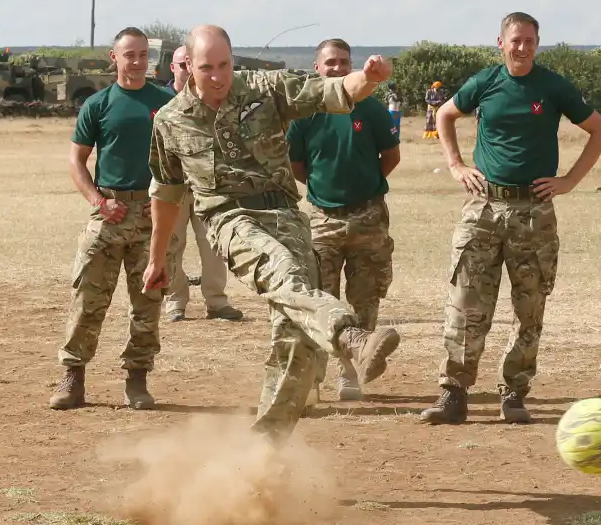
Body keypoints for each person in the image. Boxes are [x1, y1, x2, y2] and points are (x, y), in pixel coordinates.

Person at [142, 24, 401, 440]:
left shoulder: (266, 87)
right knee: (283, 272)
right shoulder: (171, 120)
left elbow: (333, 91)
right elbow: (167, 194)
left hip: (287, 217)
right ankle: (349, 335)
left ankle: (264, 452)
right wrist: (157, 259)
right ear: (189, 64)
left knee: (295, 339)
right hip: (231, 220)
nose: (218, 76)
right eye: (207, 67)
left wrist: (368, 78)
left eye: (225, 65)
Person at [419, 12, 601, 425]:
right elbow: (444, 115)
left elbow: (600, 130)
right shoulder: (485, 82)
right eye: (515, 41)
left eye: (529, 40)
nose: (522, 47)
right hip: (484, 208)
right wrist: (455, 165)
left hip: (534, 213)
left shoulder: (553, 86)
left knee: (529, 306)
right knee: (466, 303)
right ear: (501, 43)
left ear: (537, 44)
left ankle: (514, 392)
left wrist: (569, 181)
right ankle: (453, 393)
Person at [49, 27, 176, 411]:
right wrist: (99, 201)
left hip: (153, 214)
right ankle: (73, 379)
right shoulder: (99, 104)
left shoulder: (167, 102)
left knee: (148, 301)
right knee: (88, 299)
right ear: (114, 57)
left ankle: (137, 379)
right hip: (109, 213)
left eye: (142, 55)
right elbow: (77, 160)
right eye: (129, 55)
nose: (137, 62)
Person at [287, 38, 401, 405]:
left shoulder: (371, 109)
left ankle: (351, 371)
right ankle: (316, 372)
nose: (337, 68)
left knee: (364, 297)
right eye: (330, 62)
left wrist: (364, 190)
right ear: (317, 68)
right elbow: (297, 166)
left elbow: (391, 156)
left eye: (344, 62)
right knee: (322, 298)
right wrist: (324, 192)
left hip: (368, 216)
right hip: (322, 219)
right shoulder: (304, 115)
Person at [162, 45, 243, 323]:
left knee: (214, 245)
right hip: (172, 190)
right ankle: (175, 302)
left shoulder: (213, 100)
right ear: (173, 68)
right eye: (181, 65)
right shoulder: (161, 102)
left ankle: (217, 302)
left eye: (190, 64)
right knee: (171, 245)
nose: (186, 70)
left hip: (207, 188)